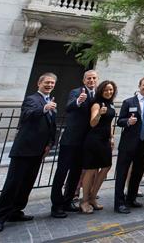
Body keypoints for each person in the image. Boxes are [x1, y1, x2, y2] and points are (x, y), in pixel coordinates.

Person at [0, 73, 58, 233]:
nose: (49, 85)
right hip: (24, 150)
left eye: (52, 83)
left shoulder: (51, 101)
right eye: (47, 82)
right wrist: (44, 108)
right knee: (13, 184)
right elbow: (27, 115)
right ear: (39, 83)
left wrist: (50, 143)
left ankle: (16, 211)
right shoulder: (32, 99)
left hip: (39, 150)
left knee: (27, 183)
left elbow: (51, 126)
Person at [51, 69, 97, 218]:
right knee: (62, 172)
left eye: (94, 78)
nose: (91, 81)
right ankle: (56, 205)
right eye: (89, 78)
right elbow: (69, 106)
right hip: (71, 140)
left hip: (86, 142)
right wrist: (79, 101)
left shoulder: (98, 94)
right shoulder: (76, 92)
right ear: (84, 80)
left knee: (76, 173)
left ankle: (68, 200)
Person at [114, 76, 144, 214]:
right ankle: (119, 203)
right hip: (128, 144)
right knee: (122, 173)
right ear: (139, 86)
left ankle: (131, 199)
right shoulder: (128, 102)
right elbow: (119, 121)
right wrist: (128, 121)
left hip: (143, 144)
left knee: (138, 173)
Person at [79, 80, 117, 213]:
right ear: (101, 91)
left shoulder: (110, 104)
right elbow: (93, 123)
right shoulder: (96, 104)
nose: (108, 92)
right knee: (91, 169)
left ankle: (93, 197)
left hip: (105, 141)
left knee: (106, 166)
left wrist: (112, 137)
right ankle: (84, 201)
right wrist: (100, 113)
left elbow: (110, 122)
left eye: (111, 90)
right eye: (106, 90)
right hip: (94, 140)